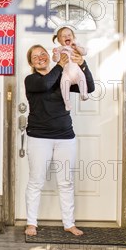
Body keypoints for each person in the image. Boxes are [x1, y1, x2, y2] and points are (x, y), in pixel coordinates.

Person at [23, 35, 95, 237]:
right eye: (35, 56)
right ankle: (31, 223)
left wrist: (82, 64)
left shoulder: (62, 77)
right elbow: (46, 84)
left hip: (65, 137)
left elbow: (89, 87)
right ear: (31, 63)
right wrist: (60, 65)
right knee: (36, 181)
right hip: (39, 138)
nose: (40, 57)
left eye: (42, 53)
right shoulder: (32, 80)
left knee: (66, 182)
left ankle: (69, 223)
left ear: (49, 55)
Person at [51, 27, 89, 111]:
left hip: (77, 71)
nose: (66, 37)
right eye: (63, 36)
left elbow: (84, 52)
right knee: (63, 86)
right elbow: (55, 60)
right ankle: (67, 104)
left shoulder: (76, 45)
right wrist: (55, 54)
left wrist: (77, 48)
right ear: (59, 40)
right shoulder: (60, 49)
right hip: (66, 74)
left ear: (73, 37)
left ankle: (84, 94)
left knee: (82, 78)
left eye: (69, 35)